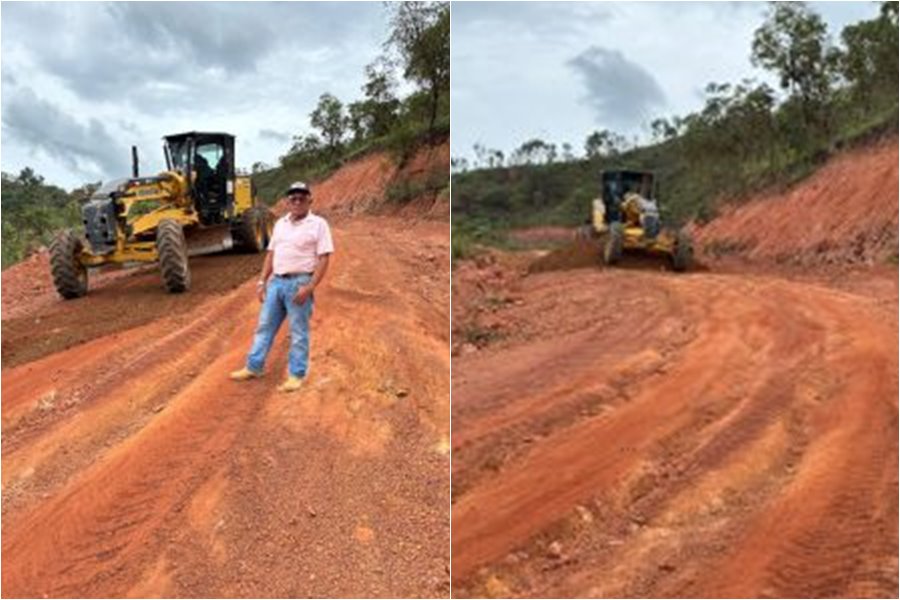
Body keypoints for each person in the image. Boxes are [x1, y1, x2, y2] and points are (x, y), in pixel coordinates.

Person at [229, 181, 334, 392]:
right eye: (293, 198)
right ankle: (254, 366)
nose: (297, 201)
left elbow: (324, 258)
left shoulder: (318, 224)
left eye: (301, 197)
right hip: (276, 283)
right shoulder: (280, 224)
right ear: (287, 201)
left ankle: (296, 375)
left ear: (309, 200)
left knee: (298, 332)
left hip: (299, 283)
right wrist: (262, 282)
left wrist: (311, 286)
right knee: (264, 327)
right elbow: (271, 254)